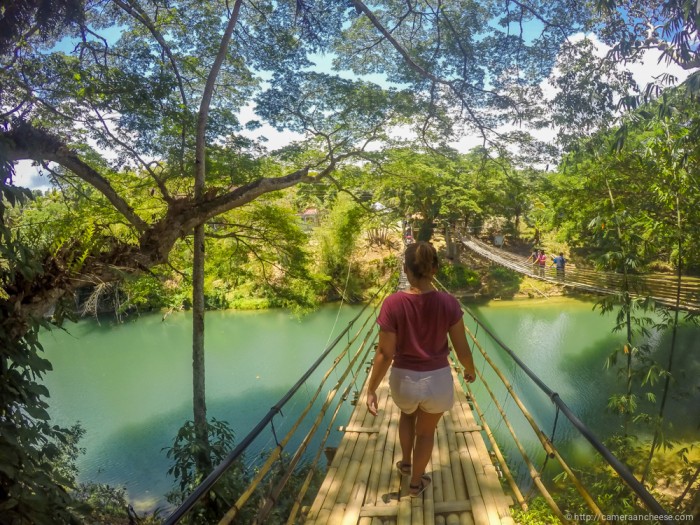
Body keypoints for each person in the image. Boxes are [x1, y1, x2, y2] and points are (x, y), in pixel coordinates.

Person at [366, 242, 476, 498]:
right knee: (425, 434)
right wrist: (469, 370)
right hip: (437, 382)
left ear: (405, 269)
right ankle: (415, 484)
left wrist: (371, 389)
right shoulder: (448, 303)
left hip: (403, 381)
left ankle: (405, 463)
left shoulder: (392, 303)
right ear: (435, 268)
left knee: (407, 416)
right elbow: (462, 349)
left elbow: (384, 353)